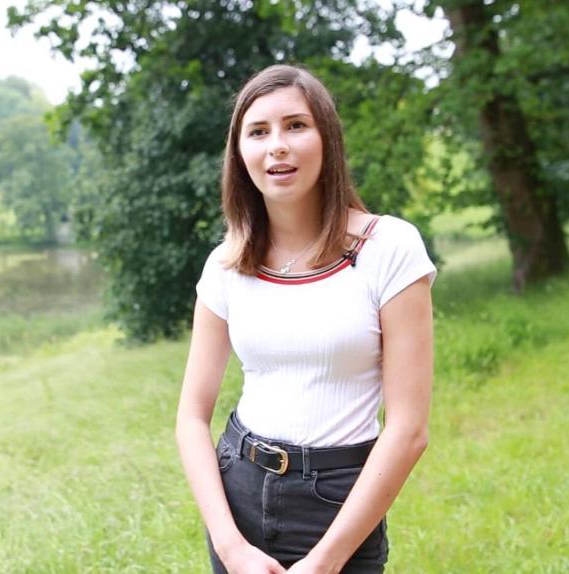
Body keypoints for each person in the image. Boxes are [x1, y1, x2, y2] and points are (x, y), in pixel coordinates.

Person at [175, 64, 436, 574]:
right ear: (240, 152)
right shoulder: (226, 263)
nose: (277, 145)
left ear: (327, 139)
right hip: (239, 492)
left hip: (339, 501)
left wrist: (325, 562)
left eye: (296, 125)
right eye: (258, 131)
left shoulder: (389, 248)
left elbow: (408, 428)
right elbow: (190, 417)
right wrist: (231, 547)